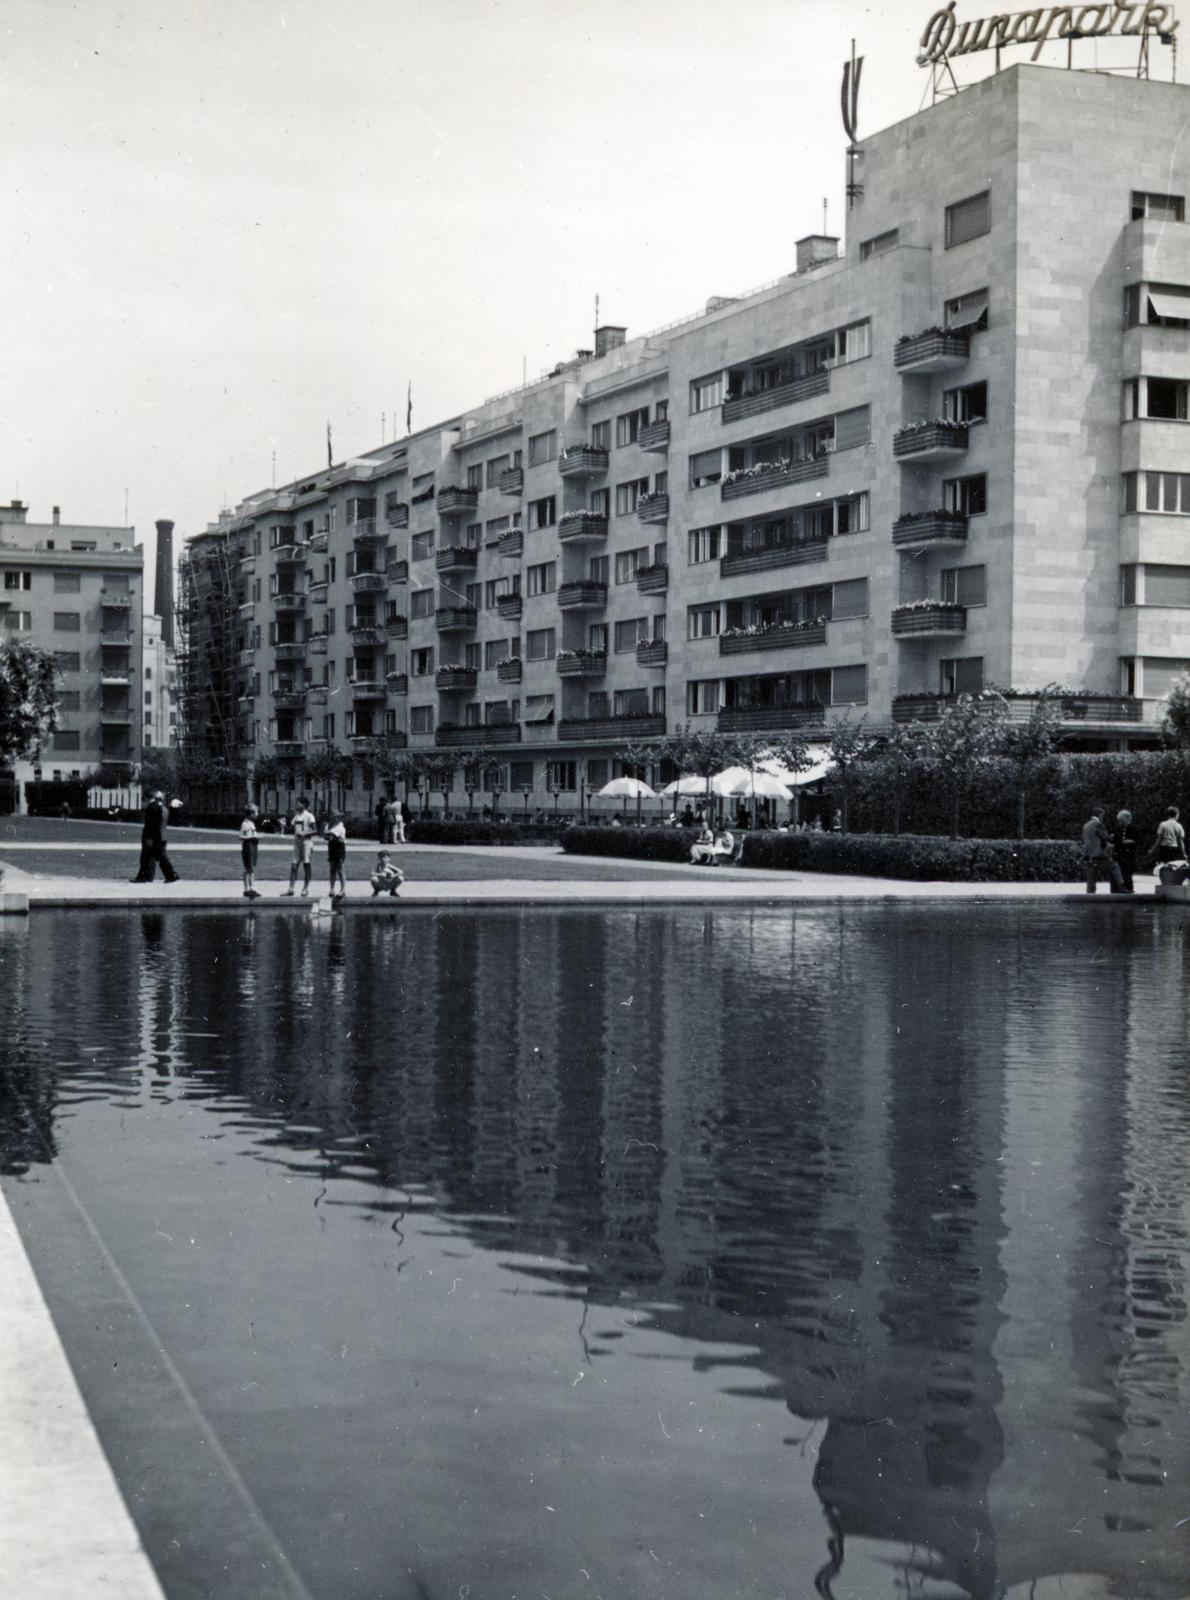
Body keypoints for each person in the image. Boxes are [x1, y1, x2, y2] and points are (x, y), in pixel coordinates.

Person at [130, 790, 180, 884]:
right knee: (157, 857)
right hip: (160, 836)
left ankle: (145, 877)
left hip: (152, 837)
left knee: (148, 858)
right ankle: (169, 875)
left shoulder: (152, 807)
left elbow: (151, 824)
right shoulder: (163, 808)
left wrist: (149, 838)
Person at [1081, 805, 1123, 894]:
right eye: (1103, 815)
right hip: (1099, 854)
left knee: (1091, 876)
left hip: (1088, 855)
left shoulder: (1086, 825)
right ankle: (1121, 886)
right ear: (1100, 815)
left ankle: (1090, 895)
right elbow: (1106, 837)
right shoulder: (1098, 824)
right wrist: (1112, 837)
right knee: (1114, 866)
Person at [284, 795, 317, 897]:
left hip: (306, 843)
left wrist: (305, 834)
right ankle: (291, 889)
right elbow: (291, 828)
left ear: (304, 804)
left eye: (297, 803)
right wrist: (284, 825)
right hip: (297, 843)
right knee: (294, 866)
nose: (296, 805)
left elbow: (315, 830)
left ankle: (305, 889)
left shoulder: (309, 816)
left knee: (306, 865)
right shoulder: (297, 816)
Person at [1111, 809, 1138, 894]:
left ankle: (1128, 888)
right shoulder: (1117, 828)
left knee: (1128, 872)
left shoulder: (1133, 828)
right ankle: (1117, 889)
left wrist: (1128, 842)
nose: (1120, 822)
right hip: (1119, 853)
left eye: (1122, 820)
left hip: (1129, 853)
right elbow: (1115, 839)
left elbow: (1136, 840)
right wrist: (1122, 841)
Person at [240, 803, 261, 899]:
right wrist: (253, 837)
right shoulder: (245, 824)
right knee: (248, 869)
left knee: (250, 868)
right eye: (256, 812)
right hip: (248, 846)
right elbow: (241, 836)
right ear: (251, 814)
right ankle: (247, 889)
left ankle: (250, 888)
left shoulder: (251, 824)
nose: (257, 814)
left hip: (253, 846)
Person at [326, 812, 347, 900]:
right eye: (333, 817)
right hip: (332, 847)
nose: (334, 819)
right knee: (332, 869)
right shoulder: (330, 826)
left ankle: (342, 889)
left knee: (340, 869)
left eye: (336, 817)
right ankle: (332, 889)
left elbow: (331, 836)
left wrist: (327, 834)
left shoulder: (340, 827)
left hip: (339, 848)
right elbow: (327, 836)